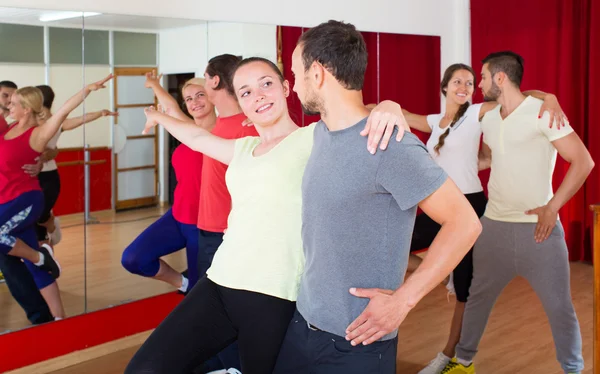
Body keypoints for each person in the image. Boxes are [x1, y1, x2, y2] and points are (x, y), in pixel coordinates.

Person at [124, 56, 404, 374]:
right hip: (219, 283)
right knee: (143, 370)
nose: (257, 96)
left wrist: (391, 106)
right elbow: (197, 138)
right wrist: (157, 115)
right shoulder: (243, 149)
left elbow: (357, 117)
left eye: (266, 84)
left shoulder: (316, 138)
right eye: (246, 92)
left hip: (275, 297)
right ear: (240, 104)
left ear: (285, 88)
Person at [271, 20, 482, 374]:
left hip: (357, 345)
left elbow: (465, 224)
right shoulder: (321, 133)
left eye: (296, 74)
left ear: (318, 73)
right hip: (302, 326)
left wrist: (404, 301)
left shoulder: (389, 145)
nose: (293, 87)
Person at [371, 63, 565, 373]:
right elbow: (400, 114)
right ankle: (441, 270)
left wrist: (550, 97)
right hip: (437, 204)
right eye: (458, 81)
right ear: (444, 86)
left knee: (465, 291)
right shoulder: (435, 121)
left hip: (470, 206)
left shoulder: (478, 112)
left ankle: (450, 358)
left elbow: (521, 96)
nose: (465, 86)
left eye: (471, 82)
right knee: (388, 248)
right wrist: (378, 105)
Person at [441, 51, 593, 374]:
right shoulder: (490, 119)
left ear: (500, 78)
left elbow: (584, 161)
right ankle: (463, 362)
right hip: (493, 228)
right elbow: (485, 159)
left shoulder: (543, 113)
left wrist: (553, 207)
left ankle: (573, 369)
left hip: (537, 230)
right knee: (477, 299)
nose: (478, 85)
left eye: (481, 77)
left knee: (560, 308)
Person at [0, 75, 112, 320]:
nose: (9, 106)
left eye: (13, 103)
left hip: (25, 199)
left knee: (21, 249)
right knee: (35, 266)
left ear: (26, 109)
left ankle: (41, 255)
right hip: (6, 200)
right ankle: (58, 318)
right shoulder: (8, 129)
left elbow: (63, 112)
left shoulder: (38, 133)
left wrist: (88, 90)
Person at [121, 75, 216, 293]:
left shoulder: (222, 133)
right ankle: (182, 284)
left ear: (212, 97)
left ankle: (192, 294)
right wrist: (153, 83)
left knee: (200, 293)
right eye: (189, 99)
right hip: (177, 216)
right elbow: (170, 107)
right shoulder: (187, 130)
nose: (195, 102)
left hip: (204, 224)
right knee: (133, 258)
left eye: (201, 95)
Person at [34, 84, 119, 248]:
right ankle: (47, 230)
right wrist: (100, 113)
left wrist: (100, 113)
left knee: (39, 219)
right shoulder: (31, 122)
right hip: (33, 175)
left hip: (47, 175)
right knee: (33, 220)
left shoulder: (56, 122)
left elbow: (81, 119)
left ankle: (49, 232)